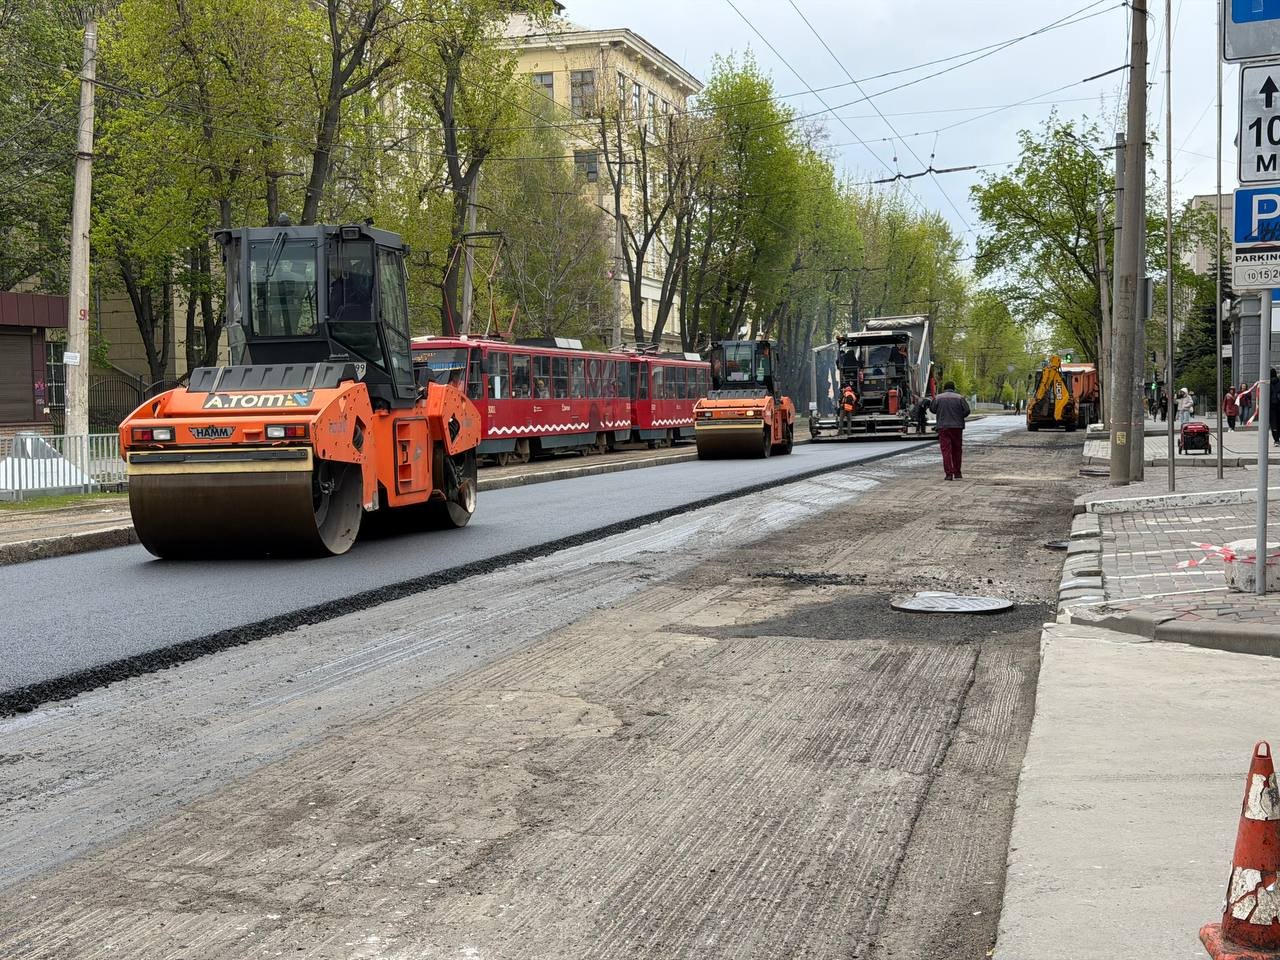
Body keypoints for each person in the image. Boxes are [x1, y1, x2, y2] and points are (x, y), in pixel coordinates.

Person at [932, 380, 971, 481]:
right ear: (954, 388)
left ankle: (948, 474)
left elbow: (932, 409)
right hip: (957, 427)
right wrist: (959, 416)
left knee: (946, 451)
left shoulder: (938, 398)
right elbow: (967, 410)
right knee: (957, 450)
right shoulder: (960, 398)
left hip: (943, 427)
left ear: (944, 388)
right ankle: (957, 473)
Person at [1271, 369, 1280, 446]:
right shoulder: (1279, 381)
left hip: (1271, 406)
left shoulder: (1267, 383)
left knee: (1273, 424)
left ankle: (1276, 440)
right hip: (1279, 405)